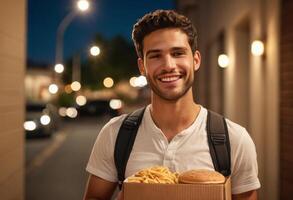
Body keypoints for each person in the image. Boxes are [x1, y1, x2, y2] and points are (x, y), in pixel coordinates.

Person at [83, 9, 261, 200]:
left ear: (195, 60)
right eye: (155, 56)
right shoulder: (115, 134)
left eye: (177, 53)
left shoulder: (234, 140)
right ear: (142, 66)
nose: (168, 65)